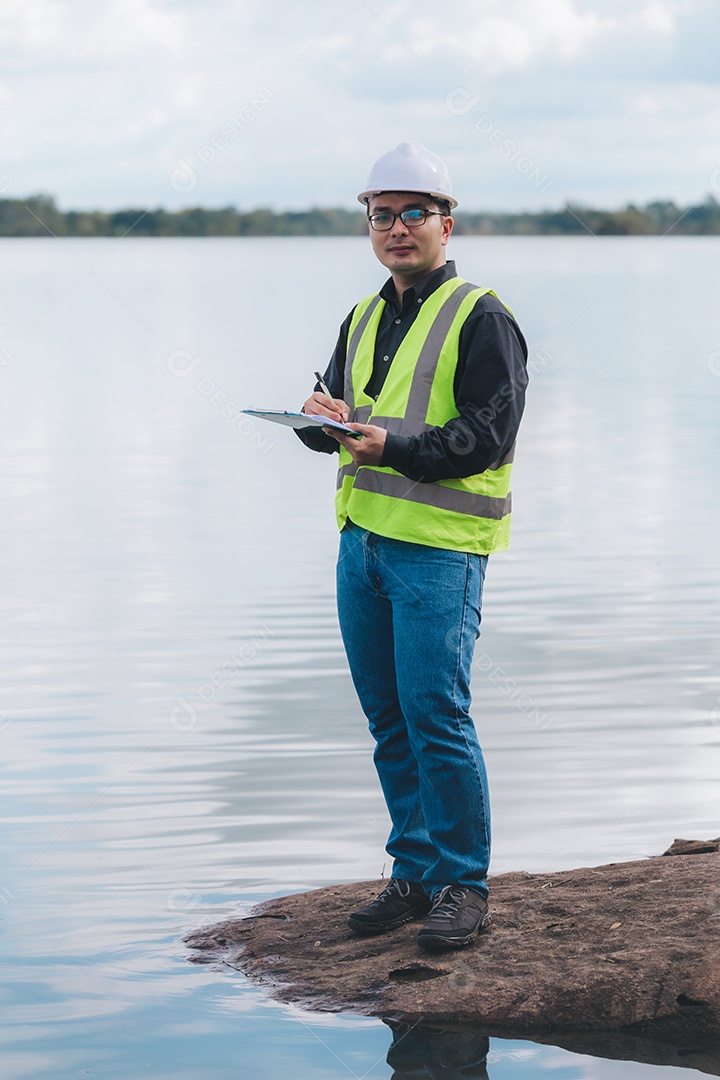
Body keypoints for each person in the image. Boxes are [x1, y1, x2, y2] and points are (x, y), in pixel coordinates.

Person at [297, 142, 527, 951]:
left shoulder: (482, 316)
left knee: (436, 716)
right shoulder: (361, 317)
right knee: (389, 720)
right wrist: (318, 420)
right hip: (361, 546)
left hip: (438, 550)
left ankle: (463, 885)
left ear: (445, 224)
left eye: (413, 214)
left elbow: (487, 437)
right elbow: (343, 420)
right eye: (382, 215)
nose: (396, 228)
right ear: (370, 225)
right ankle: (415, 871)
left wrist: (390, 449)